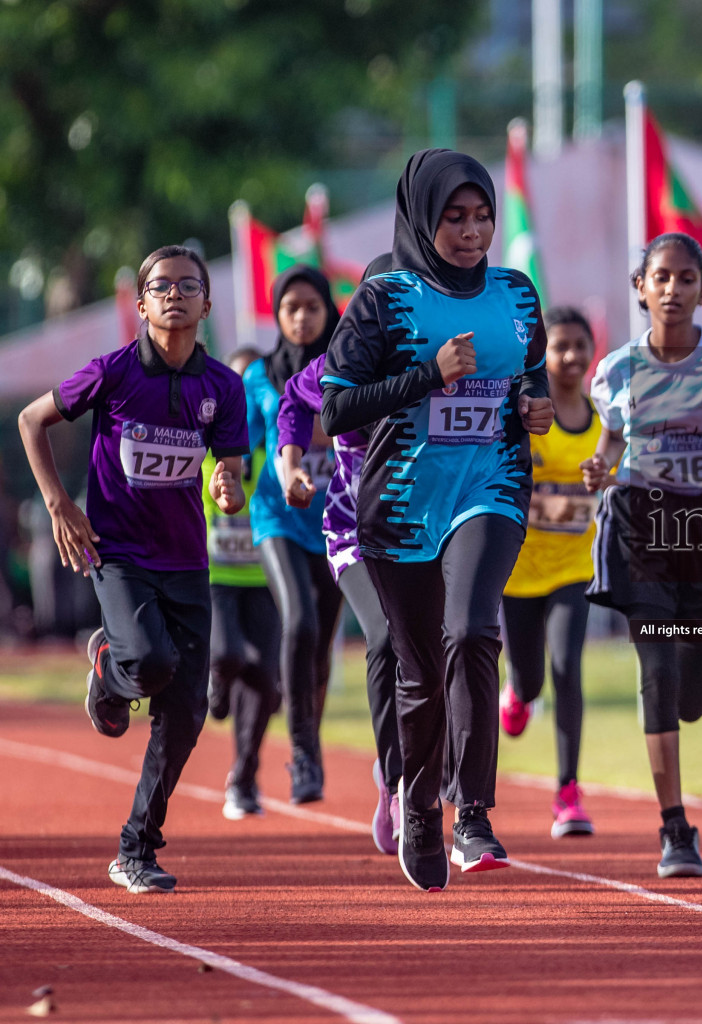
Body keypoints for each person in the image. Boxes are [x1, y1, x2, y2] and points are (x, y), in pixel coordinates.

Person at [322, 149, 553, 891]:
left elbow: (531, 374)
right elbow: (333, 408)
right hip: (400, 501)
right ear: (424, 217)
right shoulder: (384, 299)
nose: (473, 230)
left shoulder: (517, 294)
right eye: (455, 217)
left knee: (475, 631)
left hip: (492, 486)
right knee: (419, 673)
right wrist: (428, 376)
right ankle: (417, 803)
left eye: (482, 215)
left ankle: (473, 809)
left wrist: (532, 406)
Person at [17, 245, 248, 893]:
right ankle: (110, 670)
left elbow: (229, 466)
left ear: (206, 302)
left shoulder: (223, 388)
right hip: (116, 551)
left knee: (186, 712)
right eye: (161, 286)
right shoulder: (114, 373)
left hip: (186, 561)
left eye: (188, 285)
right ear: (143, 304)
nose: (174, 295)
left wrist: (229, 486)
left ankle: (136, 849)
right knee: (148, 661)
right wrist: (61, 504)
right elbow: (31, 420)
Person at [583, 232, 702, 878]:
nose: (672, 289)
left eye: (685, 278)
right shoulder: (616, 369)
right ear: (641, 287)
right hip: (640, 523)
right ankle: (675, 828)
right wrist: (599, 466)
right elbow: (612, 439)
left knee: (691, 693)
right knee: (657, 670)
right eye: (660, 277)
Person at [276, 252, 404, 855]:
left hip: (420, 532)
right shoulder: (336, 364)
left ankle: (434, 768)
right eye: (375, 301)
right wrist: (292, 463)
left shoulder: (440, 363)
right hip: (351, 529)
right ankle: (395, 781)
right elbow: (294, 404)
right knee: (381, 638)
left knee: (441, 648)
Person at [498, 305, 602, 838]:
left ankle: (568, 791)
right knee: (534, 680)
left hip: (573, 569)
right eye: (559, 346)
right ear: (543, 353)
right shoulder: (527, 415)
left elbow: (616, 476)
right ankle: (516, 693)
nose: (570, 356)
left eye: (579, 346)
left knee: (567, 668)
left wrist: (603, 478)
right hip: (517, 571)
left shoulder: (603, 420)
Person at [245, 265, 343, 805]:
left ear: (329, 310)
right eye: (291, 308)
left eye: (312, 307)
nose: (302, 317)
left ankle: (309, 734)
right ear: (277, 316)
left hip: (337, 523)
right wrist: (227, 475)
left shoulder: (352, 369)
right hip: (276, 516)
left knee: (321, 648)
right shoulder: (259, 376)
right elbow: (239, 445)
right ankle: (303, 752)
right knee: (299, 620)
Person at [203, 347, 282, 820]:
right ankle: (216, 677)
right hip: (215, 576)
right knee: (229, 653)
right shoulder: (203, 441)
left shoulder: (275, 441)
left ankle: (244, 778)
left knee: (263, 680)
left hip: (266, 576)